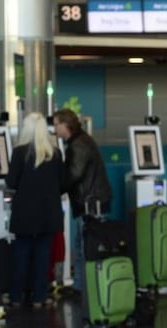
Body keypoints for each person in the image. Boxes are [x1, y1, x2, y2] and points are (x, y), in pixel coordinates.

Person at [5, 113, 65, 308]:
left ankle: (15, 297)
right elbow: (62, 184)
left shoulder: (19, 152)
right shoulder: (55, 153)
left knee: (20, 254)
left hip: (24, 214)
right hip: (48, 214)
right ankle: (40, 297)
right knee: (43, 255)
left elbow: (11, 182)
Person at [53, 108, 111, 298]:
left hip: (89, 203)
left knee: (87, 248)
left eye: (56, 125)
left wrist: (54, 189)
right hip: (91, 202)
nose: (55, 129)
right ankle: (79, 287)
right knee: (81, 246)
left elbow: (74, 174)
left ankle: (87, 289)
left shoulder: (78, 145)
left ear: (66, 125)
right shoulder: (81, 141)